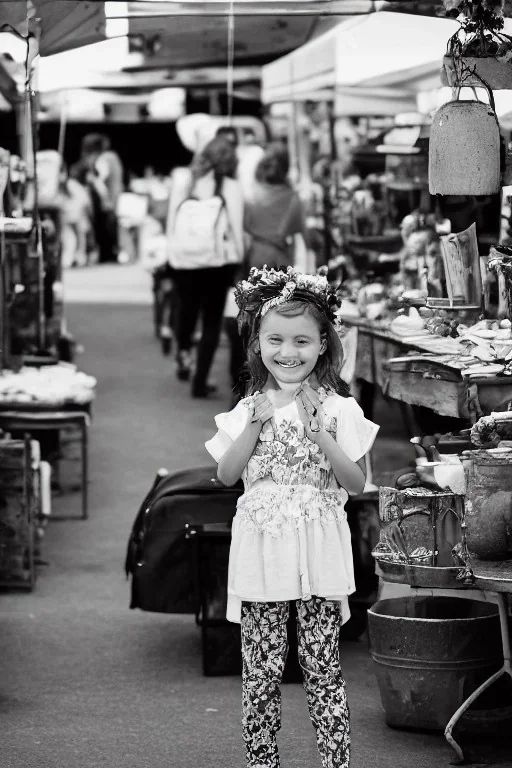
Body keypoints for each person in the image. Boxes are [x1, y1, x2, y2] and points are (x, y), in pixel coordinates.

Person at [205, 266, 379, 768]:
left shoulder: (339, 409)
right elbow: (226, 474)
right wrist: (254, 425)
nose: (288, 351)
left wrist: (320, 431)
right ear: (257, 343)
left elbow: (356, 483)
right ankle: (262, 762)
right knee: (260, 670)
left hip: (319, 558)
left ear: (324, 343)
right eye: (275, 339)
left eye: (302, 340)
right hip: (263, 554)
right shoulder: (247, 409)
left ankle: (336, 762)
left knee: (322, 667)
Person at [166, 135, 244, 397]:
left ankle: (184, 352)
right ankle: (199, 381)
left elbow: (171, 221)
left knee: (186, 311)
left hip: (183, 259)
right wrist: (240, 260)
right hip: (215, 262)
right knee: (211, 320)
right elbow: (235, 224)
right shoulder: (230, 185)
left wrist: (172, 252)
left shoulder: (185, 180)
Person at [244, 144, 312, 272]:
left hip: (255, 256)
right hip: (279, 259)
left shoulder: (253, 193)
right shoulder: (292, 197)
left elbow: (245, 226)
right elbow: (304, 236)